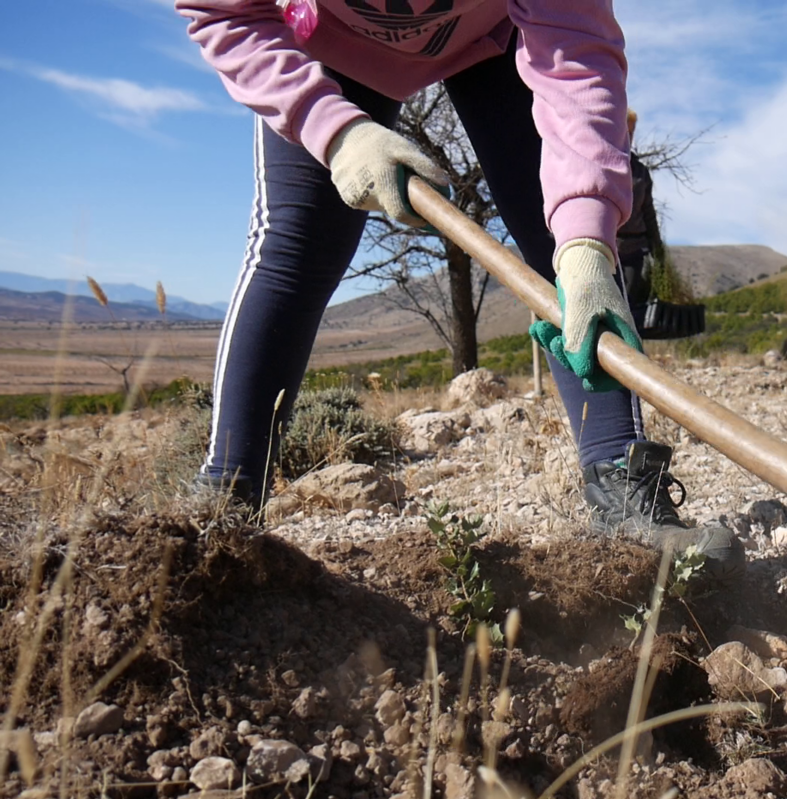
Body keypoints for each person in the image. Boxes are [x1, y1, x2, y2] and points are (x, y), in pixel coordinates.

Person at [176, 0, 743, 586]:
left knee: (561, 247)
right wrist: (334, 131)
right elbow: (225, 14)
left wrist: (585, 242)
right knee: (294, 251)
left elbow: (575, 51)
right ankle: (223, 501)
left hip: (492, 40)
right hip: (328, 48)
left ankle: (623, 488)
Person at [617, 110, 707, 341]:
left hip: (634, 248)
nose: (629, 136)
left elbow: (648, 213)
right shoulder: (602, 164)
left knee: (631, 304)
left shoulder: (640, 172)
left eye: (631, 132)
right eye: (625, 130)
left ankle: (629, 354)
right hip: (607, 247)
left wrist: (658, 250)